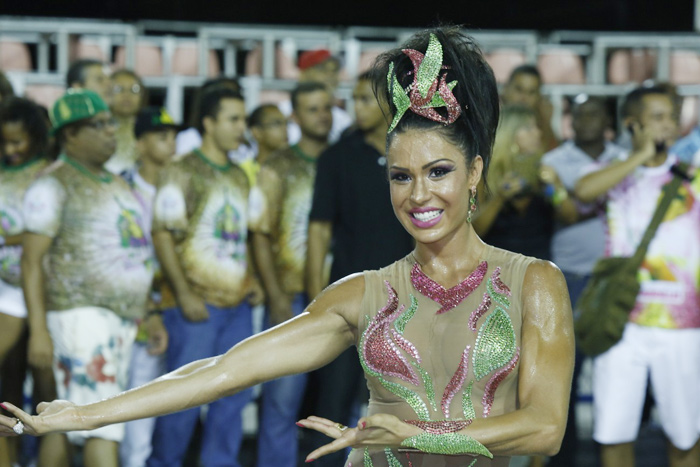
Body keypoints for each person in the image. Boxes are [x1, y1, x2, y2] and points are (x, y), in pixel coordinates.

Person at [0, 27, 574, 467]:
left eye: (438, 171)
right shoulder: (363, 294)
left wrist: (422, 435)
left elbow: (545, 427)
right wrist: (82, 413)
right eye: (401, 176)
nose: (418, 194)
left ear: (474, 172)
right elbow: (222, 370)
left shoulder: (533, 282)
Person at [20, 89, 155, 467]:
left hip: (121, 320)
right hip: (80, 319)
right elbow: (31, 263)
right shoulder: (51, 184)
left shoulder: (115, 182)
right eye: (99, 125)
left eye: (111, 122)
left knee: (62, 423)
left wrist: (149, 311)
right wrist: (39, 331)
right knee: (102, 426)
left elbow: (135, 252)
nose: (112, 131)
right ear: (70, 135)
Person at [575, 86, 700, 467]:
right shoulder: (611, 175)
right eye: (659, 117)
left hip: (681, 325)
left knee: (686, 436)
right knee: (614, 433)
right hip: (620, 324)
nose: (669, 125)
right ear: (633, 124)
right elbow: (581, 192)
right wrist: (641, 157)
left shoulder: (693, 178)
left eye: (673, 117)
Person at [145, 86, 262, 467]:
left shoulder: (242, 176)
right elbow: (162, 234)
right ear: (208, 123)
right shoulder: (181, 171)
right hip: (194, 306)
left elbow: (242, 237)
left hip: (236, 307)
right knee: (183, 400)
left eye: (243, 119)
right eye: (232, 119)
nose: (240, 127)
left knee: (233, 400)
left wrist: (253, 281)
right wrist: (183, 294)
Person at [304, 71, 415, 466]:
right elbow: (318, 231)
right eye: (354, 99)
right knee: (332, 404)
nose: (358, 108)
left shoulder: (414, 158)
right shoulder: (337, 157)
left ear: (392, 106)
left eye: (366, 100)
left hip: (406, 305)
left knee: (403, 410)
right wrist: (316, 300)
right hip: (350, 304)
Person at [540, 95, 626, 467]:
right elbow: (566, 212)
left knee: (619, 372)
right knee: (566, 377)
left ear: (608, 117)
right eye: (578, 113)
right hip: (569, 279)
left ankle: (619, 448)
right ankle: (566, 459)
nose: (586, 119)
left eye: (595, 111)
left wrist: (574, 190)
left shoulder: (625, 160)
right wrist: (567, 192)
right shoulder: (552, 161)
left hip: (616, 280)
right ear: (569, 119)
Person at [250, 81, 332, 467]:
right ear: (296, 118)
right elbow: (260, 235)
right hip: (293, 297)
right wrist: (276, 294)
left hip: (342, 295)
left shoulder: (344, 159)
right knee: (283, 400)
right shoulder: (277, 167)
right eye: (313, 109)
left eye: (327, 107)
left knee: (339, 400)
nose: (323, 116)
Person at [118, 107, 177, 467]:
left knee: (167, 398)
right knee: (136, 395)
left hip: (176, 303)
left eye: (173, 136)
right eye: (160, 136)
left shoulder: (182, 183)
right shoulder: (121, 187)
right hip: (134, 304)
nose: (170, 143)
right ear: (139, 143)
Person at [0, 96, 55, 467]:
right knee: (7, 388)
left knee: (46, 389)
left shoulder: (49, 175)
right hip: (5, 291)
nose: (11, 149)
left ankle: (43, 455)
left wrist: (12, 237)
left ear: (36, 137)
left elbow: (43, 232)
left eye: (18, 141)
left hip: (42, 291)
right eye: (4, 142)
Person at [473, 104, 554, 261]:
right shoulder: (484, 175)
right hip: (498, 270)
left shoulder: (544, 170)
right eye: (529, 128)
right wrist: (499, 198)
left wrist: (556, 188)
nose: (538, 132)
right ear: (510, 135)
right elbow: (474, 230)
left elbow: (569, 216)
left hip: (538, 268)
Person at [279, 48, 353, 145]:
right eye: (323, 69)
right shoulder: (281, 111)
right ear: (303, 74)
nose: (330, 75)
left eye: (334, 70)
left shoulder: (343, 119)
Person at [501, 65, 557, 151]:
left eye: (531, 92)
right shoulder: (490, 124)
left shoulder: (543, 129)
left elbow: (553, 155)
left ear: (539, 97)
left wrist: (547, 124)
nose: (524, 98)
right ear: (506, 89)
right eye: (519, 90)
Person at [105, 69, 148, 174]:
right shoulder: (98, 129)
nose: (127, 95)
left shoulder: (149, 130)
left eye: (134, 90)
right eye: (119, 89)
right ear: (107, 93)